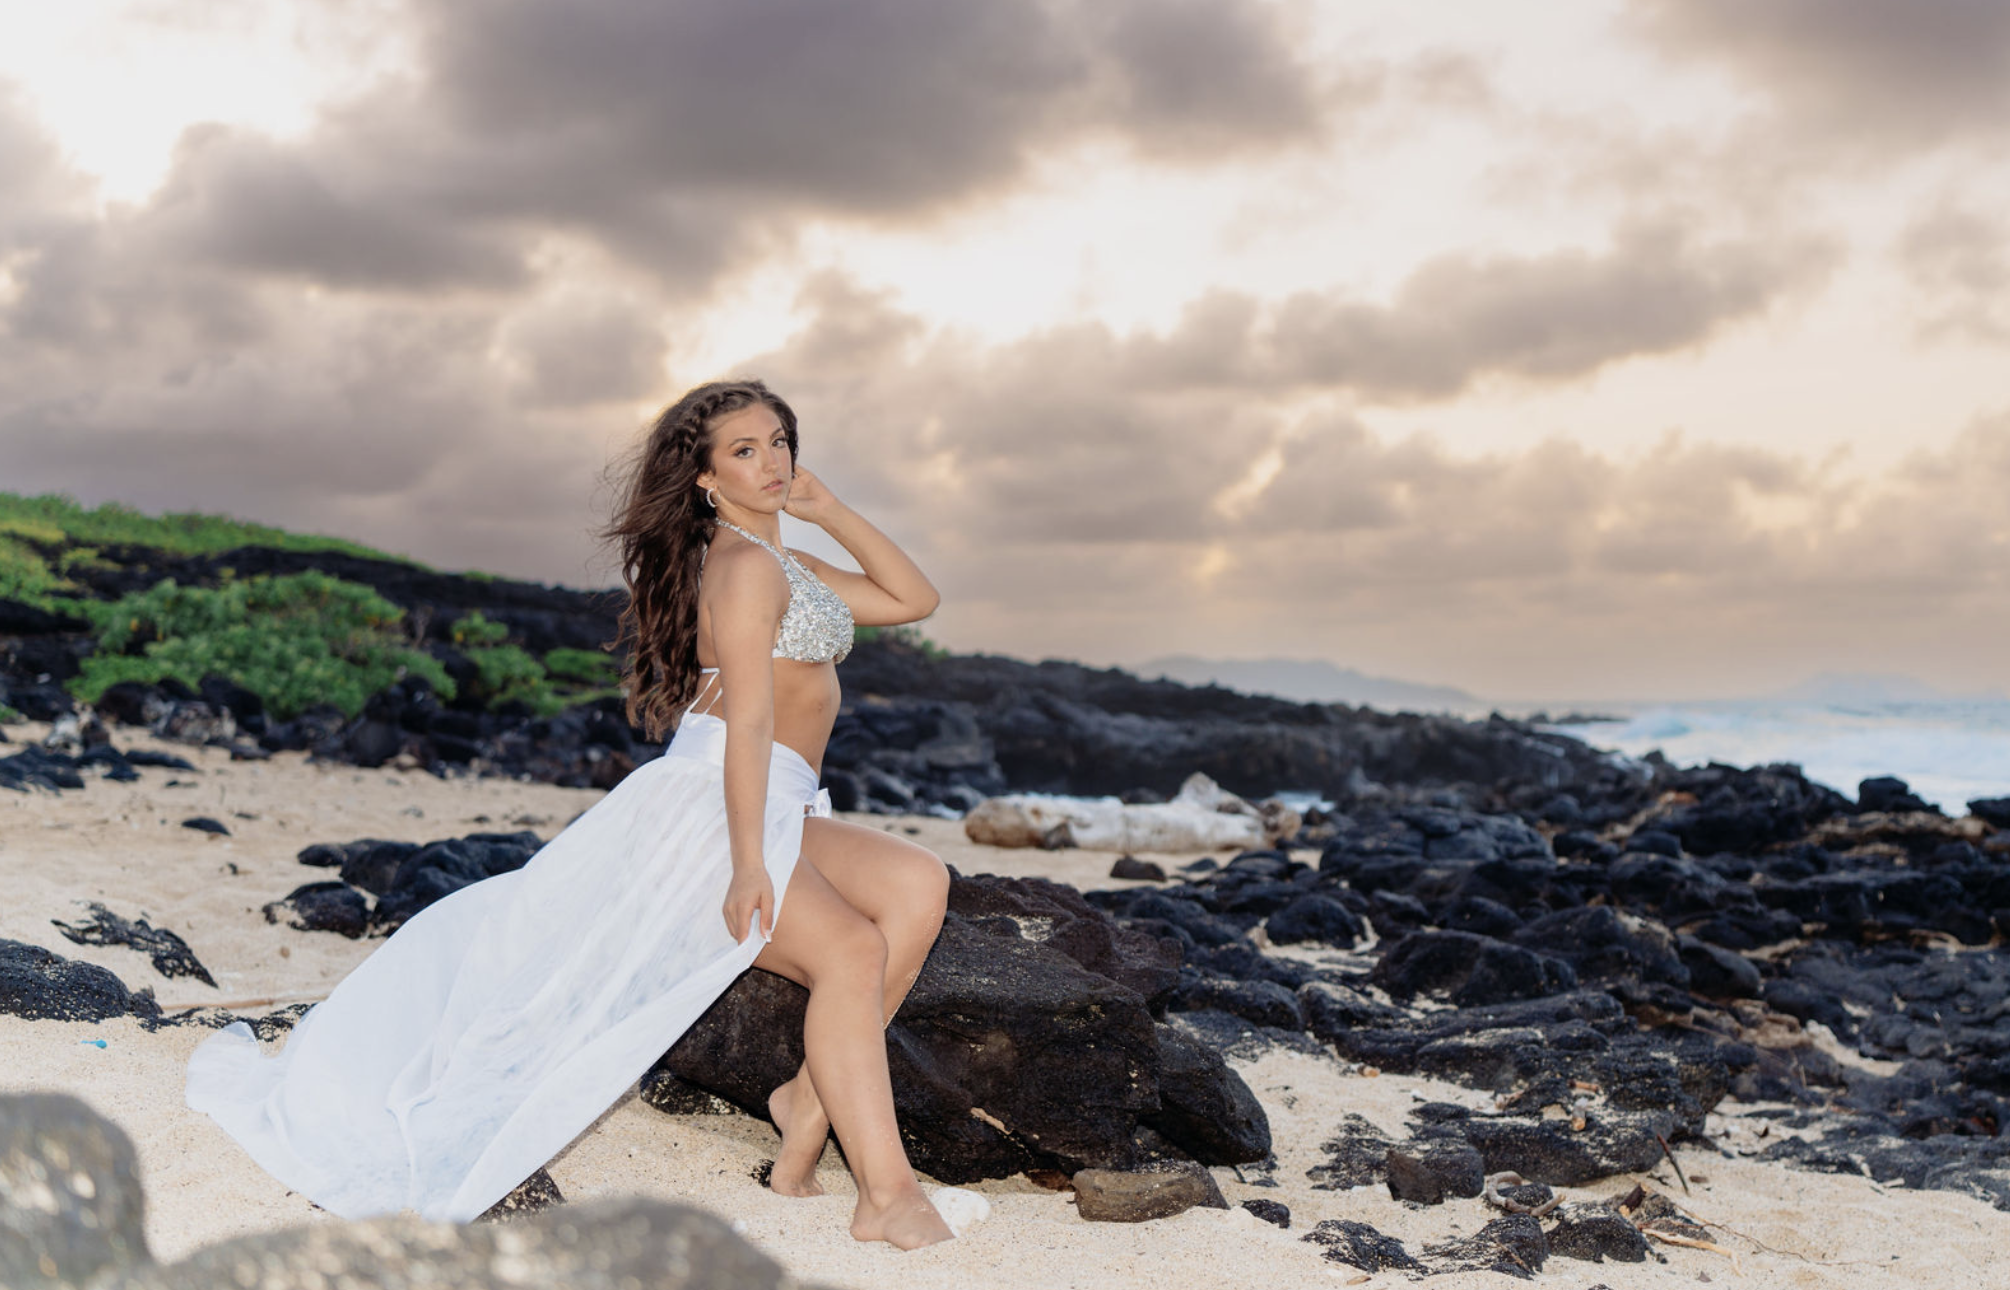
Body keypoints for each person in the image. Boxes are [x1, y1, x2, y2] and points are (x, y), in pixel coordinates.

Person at [186, 378, 956, 1250]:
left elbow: (914, 599)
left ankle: (806, 1101)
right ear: (705, 478)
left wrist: (830, 506)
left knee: (919, 884)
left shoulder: (786, 561)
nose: (773, 461)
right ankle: (887, 1194)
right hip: (714, 803)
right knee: (852, 949)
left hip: (784, 796)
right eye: (745, 450)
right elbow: (748, 723)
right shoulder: (740, 569)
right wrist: (746, 863)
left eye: (780, 441)